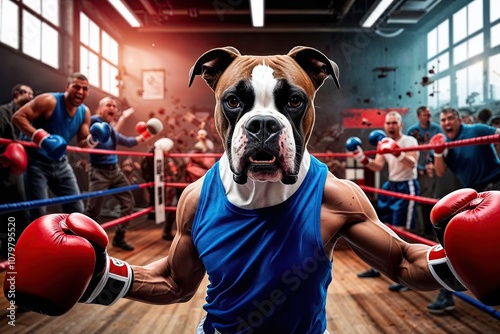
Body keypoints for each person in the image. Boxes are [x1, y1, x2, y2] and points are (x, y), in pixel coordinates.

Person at [425, 107, 500, 313]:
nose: (447, 122)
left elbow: (498, 135)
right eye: (443, 119)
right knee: (451, 239)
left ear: (458, 120)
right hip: (472, 196)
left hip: (496, 186)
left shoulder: (475, 130)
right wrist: (439, 152)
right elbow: (440, 171)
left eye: (451, 118)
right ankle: (447, 295)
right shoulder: (443, 142)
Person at [12, 72, 103, 221]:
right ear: (67, 87)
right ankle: (33, 244)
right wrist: (41, 138)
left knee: (77, 210)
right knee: (38, 213)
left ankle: (70, 244)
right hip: (36, 162)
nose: (80, 91)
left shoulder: (84, 112)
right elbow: (18, 117)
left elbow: (82, 142)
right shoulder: (49, 101)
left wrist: (94, 139)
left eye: (85, 89)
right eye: (76, 87)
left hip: (60, 163)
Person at [352, 111, 420, 293]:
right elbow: (377, 166)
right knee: (384, 228)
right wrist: (362, 158)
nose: (391, 126)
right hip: (390, 186)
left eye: (394, 123)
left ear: (400, 125)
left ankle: (407, 276)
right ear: (384, 126)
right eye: (388, 123)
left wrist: (396, 152)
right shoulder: (383, 143)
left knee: (402, 232)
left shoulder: (409, 141)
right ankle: (379, 266)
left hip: (407, 186)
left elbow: (412, 164)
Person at [85, 97, 163, 251]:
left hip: (115, 171)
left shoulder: (111, 129)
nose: (112, 107)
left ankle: (119, 237)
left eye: (114, 105)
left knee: (128, 203)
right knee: (93, 209)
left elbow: (129, 142)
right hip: (99, 171)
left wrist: (149, 133)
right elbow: (95, 136)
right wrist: (123, 118)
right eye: (108, 105)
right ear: (99, 109)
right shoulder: (94, 121)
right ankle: (87, 242)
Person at [0, 84, 33, 258]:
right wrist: (4, 156)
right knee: (12, 209)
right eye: (26, 93)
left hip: (19, 168)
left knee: (19, 210)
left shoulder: (29, 118)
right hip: (5, 167)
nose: (30, 97)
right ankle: (8, 249)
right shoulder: (3, 113)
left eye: (32, 94)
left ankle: (11, 248)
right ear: (16, 95)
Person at [406, 106, 443, 238]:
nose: (428, 118)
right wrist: (418, 168)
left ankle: (433, 232)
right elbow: (409, 152)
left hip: (434, 168)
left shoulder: (437, 129)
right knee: (419, 200)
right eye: (425, 115)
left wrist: (434, 164)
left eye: (429, 115)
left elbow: (442, 148)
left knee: (434, 199)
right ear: (418, 116)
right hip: (417, 170)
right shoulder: (412, 131)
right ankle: (423, 231)